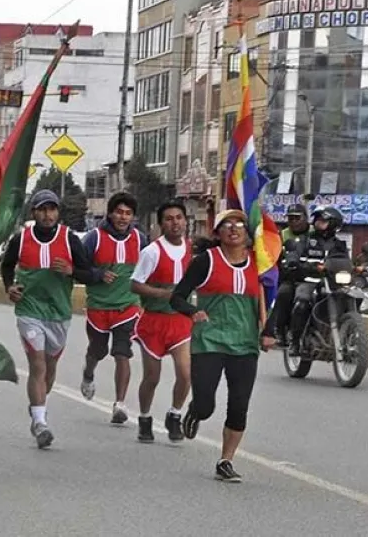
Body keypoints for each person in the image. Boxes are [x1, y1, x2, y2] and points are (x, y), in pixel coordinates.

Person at [172, 210, 275, 482]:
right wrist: (193, 312)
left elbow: (276, 297)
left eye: (240, 224)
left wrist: (269, 330)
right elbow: (177, 297)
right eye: (227, 225)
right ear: (217, 232)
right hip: (210, 340)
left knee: (239, 405)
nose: (234, 229)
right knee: (206, 404)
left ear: (247, 232)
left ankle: (225, 460)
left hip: (245, 344)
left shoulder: (259, 263)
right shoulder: (206, 261)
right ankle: (195, 411)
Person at [0, 189, 95, 449]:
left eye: (52, 209)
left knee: (49, 369)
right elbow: (7, 266)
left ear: (58, 213)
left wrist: (72, 270)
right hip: (30, 311)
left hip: (59, 313)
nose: (47, 214)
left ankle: (38, 407)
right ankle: (40, 423)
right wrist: (10, 287)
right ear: (34, 213)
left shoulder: (70, 239)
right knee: (38, 365)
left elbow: (88, 273)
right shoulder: (21, 239)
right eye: (42, 209)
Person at [79, 192, 148, 424]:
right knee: (97, 350)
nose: (123, 217)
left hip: (127, 307)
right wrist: (97, 274)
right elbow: (78, 269)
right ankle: (88, 374)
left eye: (128, 213)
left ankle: (119, 404)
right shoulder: (93, 239)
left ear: (133, 217)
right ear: (110, 213)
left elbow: (151, 269)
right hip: (98, 307)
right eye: (119, 212)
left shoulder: (141, 240)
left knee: (122, 353)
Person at [130, 201, 192, 443]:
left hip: (180, 322)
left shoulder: (190, 248)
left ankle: (175, 415)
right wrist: (162, 294)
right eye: (169, 219)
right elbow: (135, 284)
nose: (175, 223)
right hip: (154, 323)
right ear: (160, 224)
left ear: (185, 221)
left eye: (179, 218)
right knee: (152, 377)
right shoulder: (152, 252)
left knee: (186, 374)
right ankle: (145, 418)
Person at [269, 206, 348, 355]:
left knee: (350, 295)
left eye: (322, 220)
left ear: (334, 224)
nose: (318, 223)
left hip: (331, 282)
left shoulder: (339, 245)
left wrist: (357, 268)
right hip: (308, 280)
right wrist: (293, 262)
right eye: (317, 220)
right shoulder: (305, 240)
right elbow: (293, 254)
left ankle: (349, 329)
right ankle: (295, 341)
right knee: (302, 301)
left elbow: (345, 261)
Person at [272, 204, 311, 345]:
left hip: (312, 276)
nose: (293, 221)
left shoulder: (315, 232)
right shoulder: (282, 235)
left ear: (306, 218)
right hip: (290, 277)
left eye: (297, 218)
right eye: (290, 218)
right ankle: (279, 330)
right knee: (283, 293)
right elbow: (274, 256)